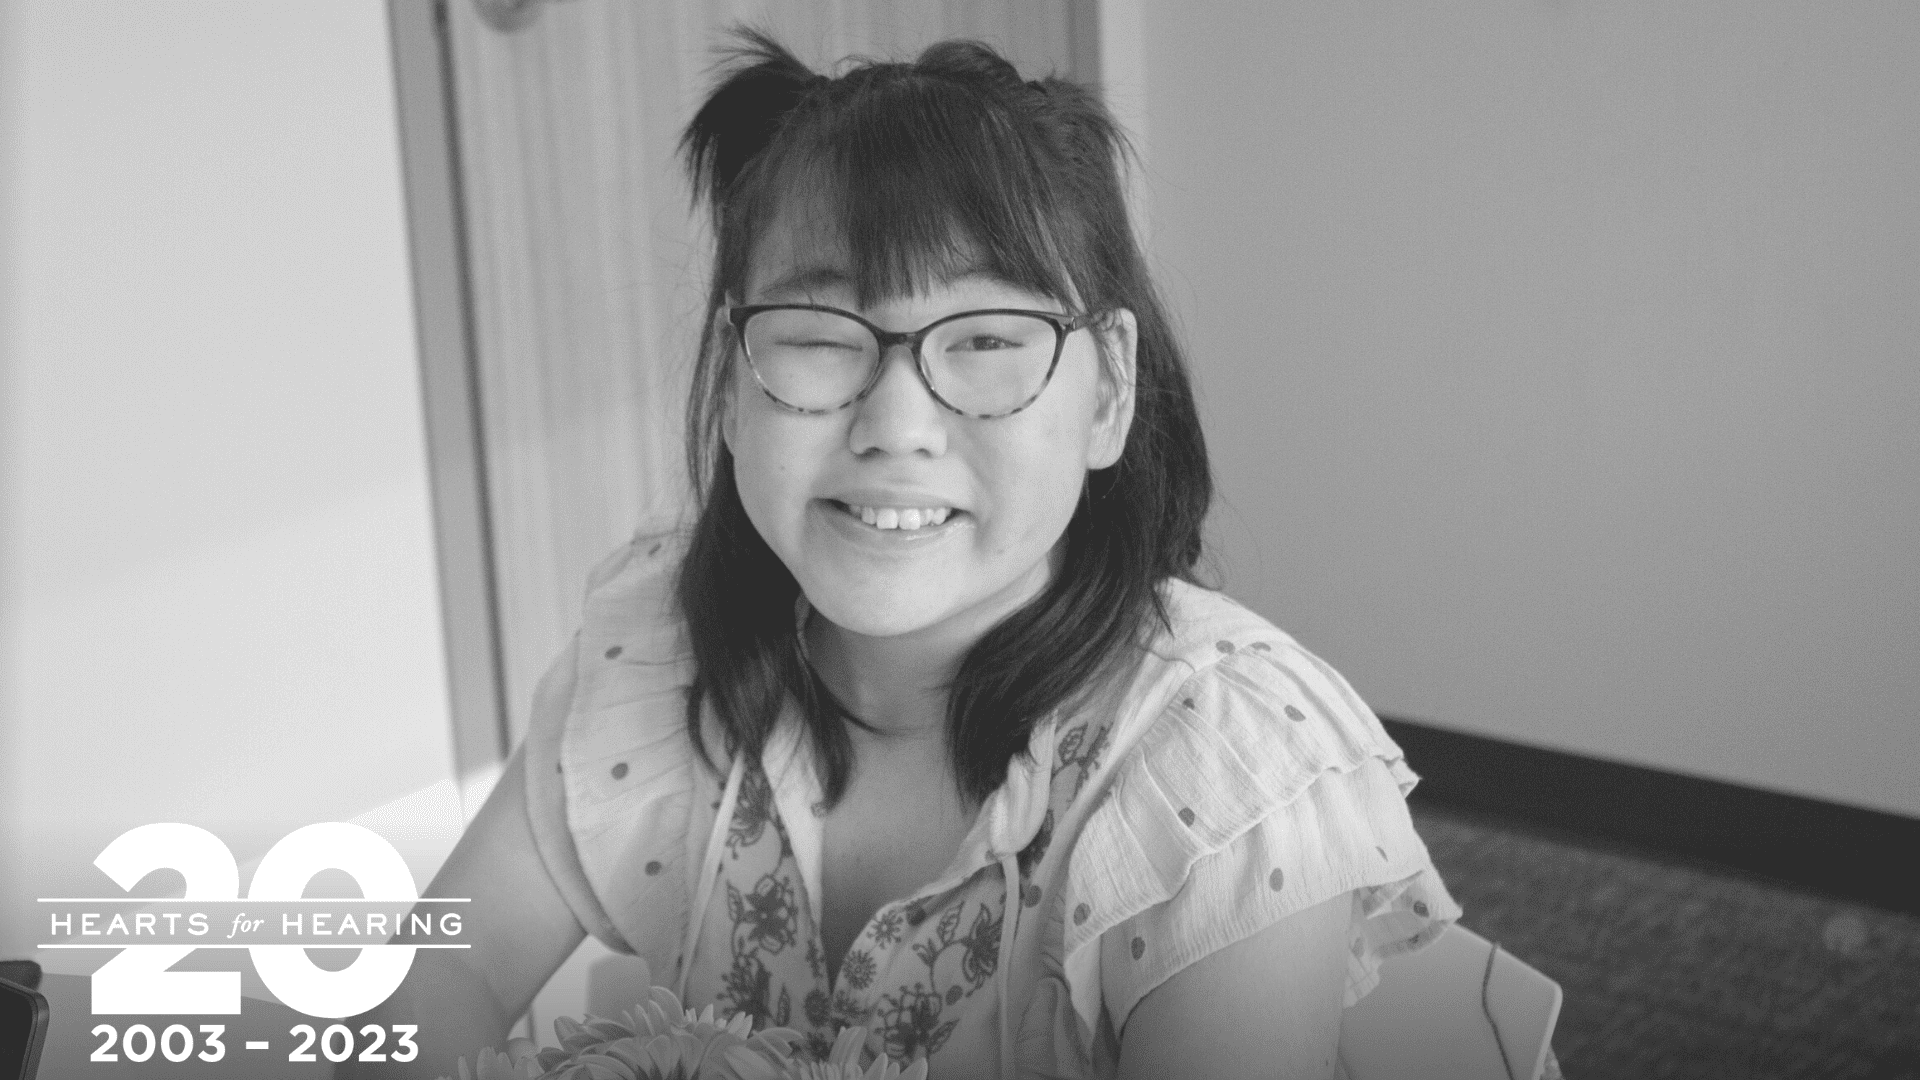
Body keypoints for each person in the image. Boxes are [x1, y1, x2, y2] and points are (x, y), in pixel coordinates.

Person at [348, 29, 1461, 1080]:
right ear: (733, 386)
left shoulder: (1221, 774)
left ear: (1110, 391)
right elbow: (429, 991)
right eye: (822, 339)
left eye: (982, 341)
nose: (896, 422)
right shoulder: (659, 657)